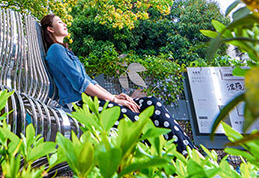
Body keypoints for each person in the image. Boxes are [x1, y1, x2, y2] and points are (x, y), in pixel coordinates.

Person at [41, 13, 195, 155]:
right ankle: (181, 159)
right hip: (82, 105)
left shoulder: (65, 51)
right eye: (60, 22)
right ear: (50, 29)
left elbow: (90, 81)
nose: (65, 24)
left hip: (93, 101)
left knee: (152, 103)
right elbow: (81, 84)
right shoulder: (56, 50)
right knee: (139, 120)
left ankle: (192, 153)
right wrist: (114, 100)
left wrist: (114, 96)